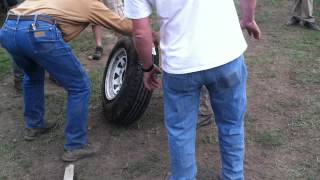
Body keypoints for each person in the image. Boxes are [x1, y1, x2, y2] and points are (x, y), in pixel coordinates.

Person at [124, 0, 261, 179]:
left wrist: (148, 67)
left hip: (180, 65)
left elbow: (141, 34)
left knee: (181, 131)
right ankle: (233, 176)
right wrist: (248, 19)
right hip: (227, 55)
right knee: (231, 124)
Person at [0, 0, 132, 162]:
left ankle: (34, 125)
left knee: (32, 77)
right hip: (38, 32)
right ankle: (75, 145)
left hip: (9, 29)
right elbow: (125, 27)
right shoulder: (90, 4)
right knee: (79, 86)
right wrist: (151, 34)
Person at [2, 0, 24, 91]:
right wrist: (13, 4)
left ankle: (55, 74)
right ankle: (19, 80)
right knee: (19, 45)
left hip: (39, 7)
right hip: (17, 9)